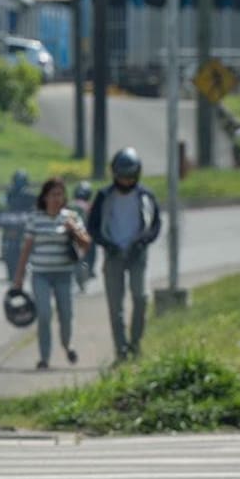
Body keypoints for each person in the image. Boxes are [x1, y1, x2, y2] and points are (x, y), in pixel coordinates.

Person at [87, 147, 162, 362]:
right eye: (122, 176)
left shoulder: (145, 196)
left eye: (131, 176)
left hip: (137, 254)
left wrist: (142, 242)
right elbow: (93, 227)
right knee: (115, 305)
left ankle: (135, 343)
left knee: (141, 297)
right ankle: (120, 349)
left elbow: (155, 225)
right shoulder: (104, 196)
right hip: (113, 255)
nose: (127, 181)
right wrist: (107, 245)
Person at [12, 177, 91, 370]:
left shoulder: (71, 216)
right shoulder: (35, 218)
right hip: (41, 274)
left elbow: (86, 244)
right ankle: (44, 357)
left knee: (66, 314)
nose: (57, 199)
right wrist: (19, 277)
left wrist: (74, 231)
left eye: (60, 194)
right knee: (45, 314)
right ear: (45, 197)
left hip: (64, 273)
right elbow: (26, 249)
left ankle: (67, 345)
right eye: (53, 194)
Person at [70, 180, 97, 290]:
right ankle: (89, 271)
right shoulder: (89, 206)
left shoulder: (70, 204)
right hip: (84, 236)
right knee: (90, 253)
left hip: (71, 235)